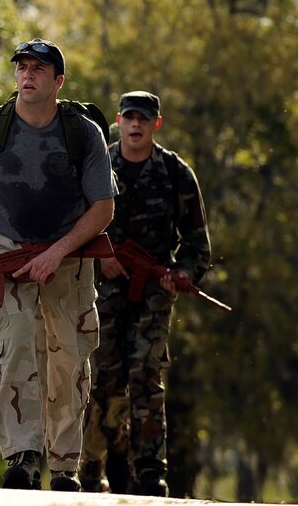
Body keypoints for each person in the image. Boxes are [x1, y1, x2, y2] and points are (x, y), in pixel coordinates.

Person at [0, 38, 117, 492]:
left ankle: (64, 466)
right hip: (7, 252)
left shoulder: (82, 131)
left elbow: (102, 208)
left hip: (70, 254)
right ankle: (21, 455)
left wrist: (56, 252)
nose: (28, 74)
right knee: (16, 345)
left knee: (69, 358)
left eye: (39, 68)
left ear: (58, 81)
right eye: (22, 66)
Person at [79, 91, 210, 497]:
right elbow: (74, 227)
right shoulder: (100, 166)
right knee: (104, 381)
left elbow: (196, 241)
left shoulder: (175, 173)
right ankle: (97, 461)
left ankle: (151, 468)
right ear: (118, 121)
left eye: (144, 118)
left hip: (154, 291)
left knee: (146, 375)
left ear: (157, 124)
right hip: (104, 291)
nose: (136, 125)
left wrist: (181, 273)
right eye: (130, 117)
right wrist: (102, 257)